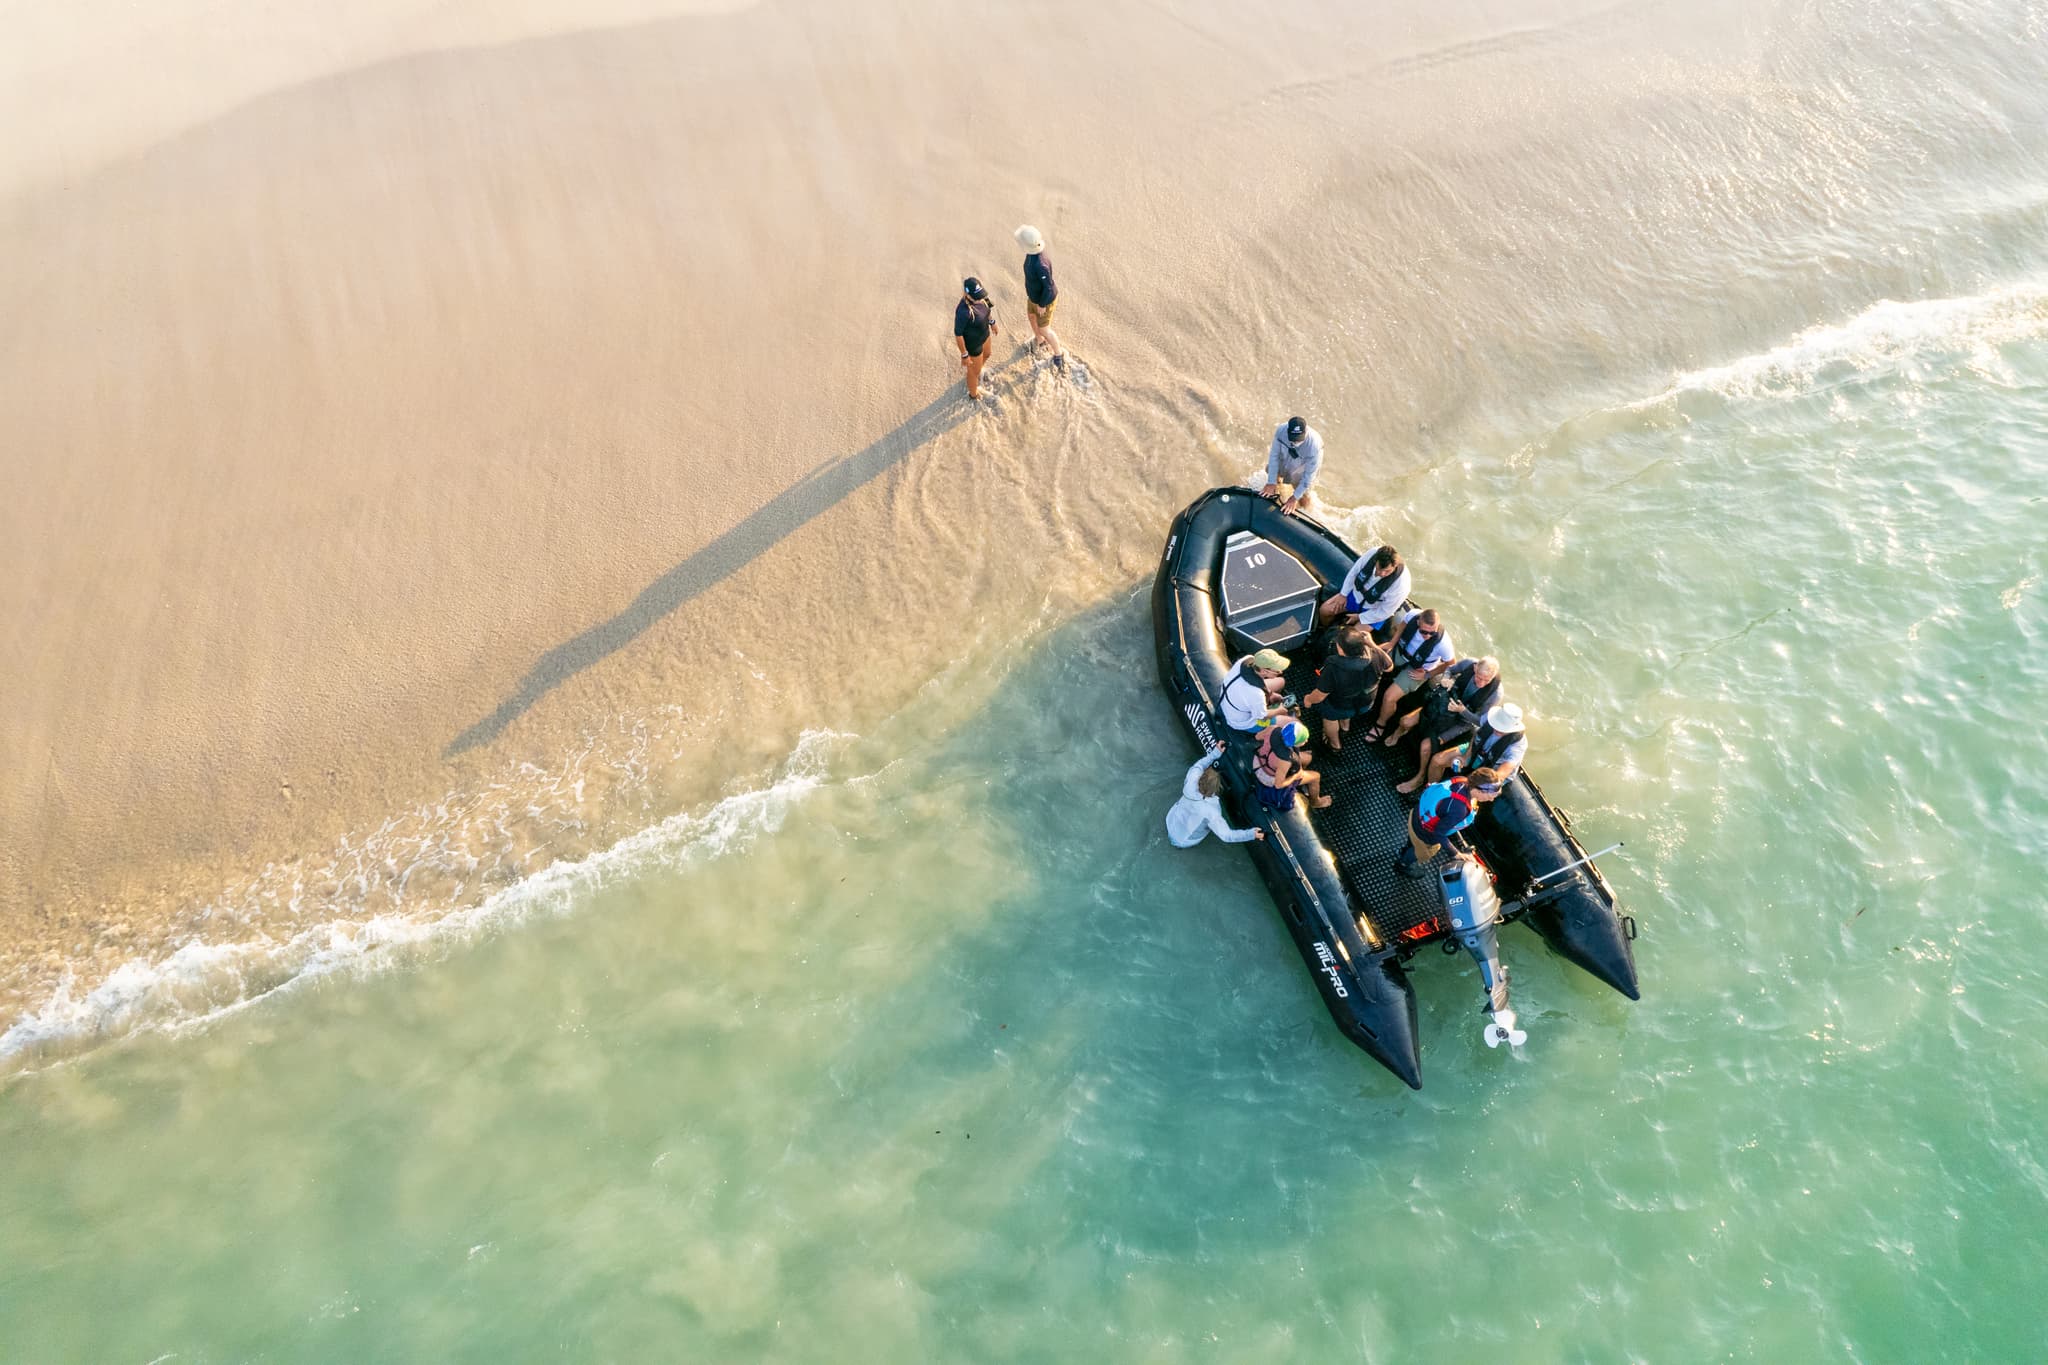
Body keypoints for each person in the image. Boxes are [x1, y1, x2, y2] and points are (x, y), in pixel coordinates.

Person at [1393, 657, 1503, 793]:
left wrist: (1462, 711)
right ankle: (1398, 733)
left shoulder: (1495, 694)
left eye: (1487, 680)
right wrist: (1447, 679)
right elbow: (1450, 669)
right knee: (1405, 721)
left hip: (1462, 721)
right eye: (1479, 677)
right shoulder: (1468, 663)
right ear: (1475, 668)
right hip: (1445, 703)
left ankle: (1420, 777)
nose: (1481, 683)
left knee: (1426, 747)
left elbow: (1481, 721)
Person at [1361, 607, 1454, 742]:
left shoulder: (1443, 644)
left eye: (1431, 633)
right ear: (1418, 623)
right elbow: (1403, 624)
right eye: (1423, 632)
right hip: (1402, 652)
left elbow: (1451, 663)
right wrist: (1392, 643)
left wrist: (1428, 675)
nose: (1427, 636)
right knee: (1368, 662)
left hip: (1419, 669)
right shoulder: (1413, 615)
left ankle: (1380, 725)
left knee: (1389, 697)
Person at [1393, 767, 1503, 877]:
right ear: (1479, 790)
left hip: (1417, 814)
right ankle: (1402, 865)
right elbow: (1438, 833)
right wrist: (1456, 853)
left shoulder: (1461, 780)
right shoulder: (1460, 810)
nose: (1491, 800)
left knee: (1412, 842)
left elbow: (1444, 810)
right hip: (1424, 834)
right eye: (1490, 796)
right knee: (1420, 851)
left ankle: (1405, 850)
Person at [1300, 627, 1391, 751]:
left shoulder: (1333, 665)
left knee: (1329, 717)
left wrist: (1308, 700)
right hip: (1366, 703)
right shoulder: (1375, 654)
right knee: (1348, 705)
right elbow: (1389, 667)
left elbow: (1320, 695)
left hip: (1340, 706)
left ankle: (1334, 745)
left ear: (1341, 649)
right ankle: (1345, 727)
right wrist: (1372, 644)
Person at [1410, 702, 1528, 794]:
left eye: (1502, 729)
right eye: (1496, 725)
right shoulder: (1490, 717)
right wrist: (1466, 755)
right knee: (1437, 760)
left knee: (1464, 789)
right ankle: (1430, 790)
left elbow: (1502, 773)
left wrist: (1476, 781)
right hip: (1477, 752)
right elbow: (1477, 736)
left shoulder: (1517, 746)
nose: (1497, 729)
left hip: (1492, 769)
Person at [1166, 743, 1266, 848]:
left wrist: (1215, 753)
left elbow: (1200, 765)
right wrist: (1251, 834)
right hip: (1185, 841)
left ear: (1201, 777)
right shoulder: (1212, 811)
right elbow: (1227, 836)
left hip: (1170, 822)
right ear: (1217, 788)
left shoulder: (1192, 777)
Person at [1318, 545, 1409, 630]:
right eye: (1379, 569)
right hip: (1356, 596)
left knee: (1352, 636)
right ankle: (1325, 630)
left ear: (1395, 566)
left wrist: (1360, 617)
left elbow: (1385, 612)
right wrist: (1343, 595)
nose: (1381, 574)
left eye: (1387, 571)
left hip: (1374, 610)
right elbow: (1354, 573)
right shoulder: (1372, 554)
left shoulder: (1402, 585)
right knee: (1324, 610)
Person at [1014, 225, 1066, 370]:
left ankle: (1058, 354)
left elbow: (1048, 287)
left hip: (1045, 300)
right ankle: (1040, 340)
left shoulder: (1040, 265)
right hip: (1034, 297)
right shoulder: (1031, 255)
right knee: (1031, 316)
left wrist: (1042, 304)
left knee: (1045, 328)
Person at [1253, 718, 1330, 810]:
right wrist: (1295, 776)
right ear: (1294, 744)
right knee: (1316, 776)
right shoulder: (1285, 761)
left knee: (1307, 757)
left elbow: (1257, 737)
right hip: (1267, 775)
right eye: (1303, 740)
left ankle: (1303, 777)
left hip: (1259, 760)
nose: (1306, 741)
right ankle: (1316, 802)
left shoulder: (1273, 729)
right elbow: (1278, 784)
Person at [1260, 416, 1323, 514]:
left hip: (1302, 468)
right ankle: (1275, 497)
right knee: (1270, 471)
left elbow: (1308, 477)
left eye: (1299, 440)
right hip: (1285, 460)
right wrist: (1271, 482)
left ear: (1306, 431)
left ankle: (1308, 513)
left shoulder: (1314, 446)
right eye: (1293, 439)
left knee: (1303, 497)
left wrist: (1294, 498)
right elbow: (1274, 457)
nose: (1295, 442)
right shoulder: (1281, 430)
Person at [1219, 648, 1290, 731]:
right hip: (1243, 723)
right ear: (1264, 671)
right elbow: (1262, 717)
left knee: (1281, 681)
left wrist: (1271, 694)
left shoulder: (1247, 660)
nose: (1280, 671)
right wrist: (1279, 711)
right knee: (1291, 720)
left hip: (1233, 697)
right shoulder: (1256, 694)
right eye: (1277, 671)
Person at [954, 277, 999, 400]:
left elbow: (989, 308)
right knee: (973, 373)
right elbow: (958, 335)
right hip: (973, 344)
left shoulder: (982, 297)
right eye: (977, 297)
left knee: (988, 354)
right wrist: (964, 354)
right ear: (967, 294)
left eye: (980, 295)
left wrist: (992, 322)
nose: (980, 299)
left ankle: (976, 369)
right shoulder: (963, 312)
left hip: (985, 334)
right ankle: (973, 394)